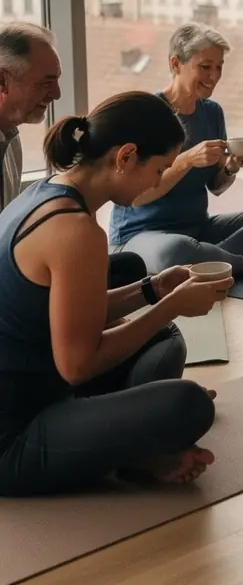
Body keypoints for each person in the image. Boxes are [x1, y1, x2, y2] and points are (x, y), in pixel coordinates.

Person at [0, 91, 230, 496]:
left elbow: (72, 312)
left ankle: (127, 434)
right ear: (125, 157)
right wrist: (171, 306)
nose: (158, 182)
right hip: (15, 436)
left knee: (162, 337)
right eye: (158, 169)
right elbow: (78, 364)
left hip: (42, 379)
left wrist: (154, 289)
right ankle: (134, 449)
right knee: (189, 404)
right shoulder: (75, 231)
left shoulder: (50, 191)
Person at [109, 24, 243, 275]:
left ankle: (212, 261)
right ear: (175, 64)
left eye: (219, 67)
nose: (214, 76)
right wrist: (186, 160)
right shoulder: (147, 114)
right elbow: (136, 197)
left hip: (199, 229)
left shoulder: (212, 112)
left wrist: (230, 168)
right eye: (205, 67)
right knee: (176, 251)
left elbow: (216, 187)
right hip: (141, 235)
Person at [0, 22, 146, 287]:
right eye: (47, 82)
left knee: (128, 268)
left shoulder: (11, 138)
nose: (56, 94)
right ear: (2, 81)